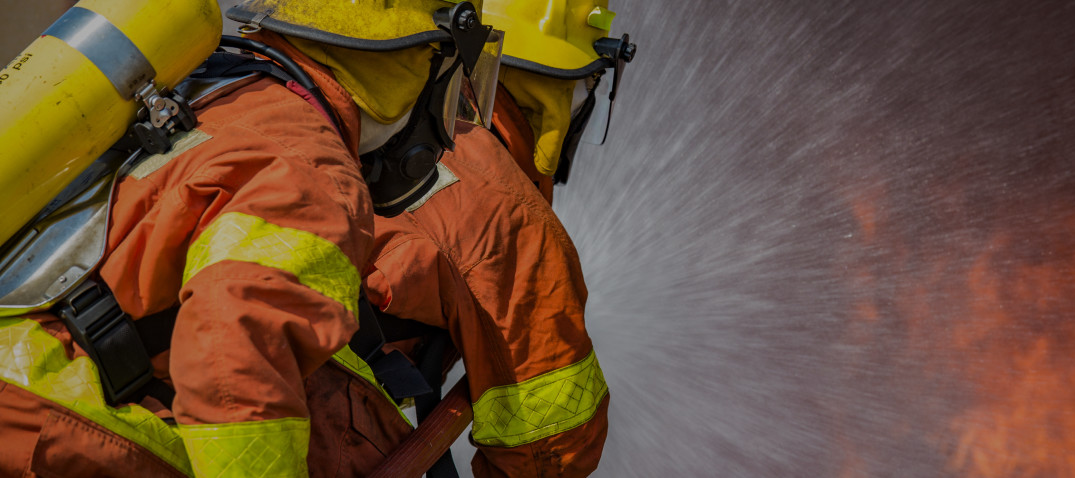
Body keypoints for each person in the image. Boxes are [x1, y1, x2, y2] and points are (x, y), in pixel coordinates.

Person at [0, 1, 488, 476]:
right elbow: (235, 372)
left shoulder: (220, 91)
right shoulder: (313, 172)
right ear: (408, 66)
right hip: (48, 421)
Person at [358, 1, 636, 475]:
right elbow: (549, 450)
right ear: (567, 85)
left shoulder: (369, 123)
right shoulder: (505, 216)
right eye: (590, 83)